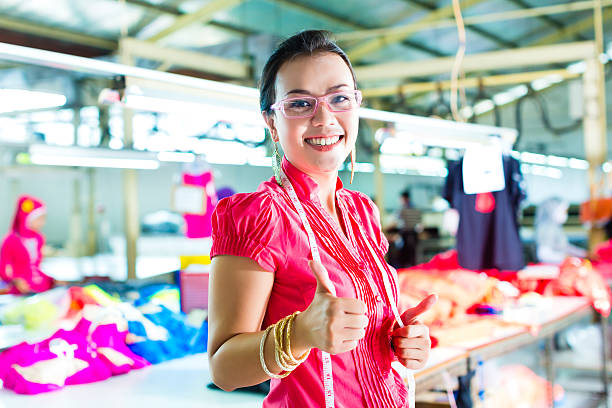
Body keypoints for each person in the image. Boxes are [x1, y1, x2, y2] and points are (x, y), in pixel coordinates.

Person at [208, 30, 436, 408]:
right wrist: (298, 334)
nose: (325, 117)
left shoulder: (362, 211)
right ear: (271, 122)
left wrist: (405, 342)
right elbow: (223, 369)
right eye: (299, 104)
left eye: (340, 98)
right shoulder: (258, 215)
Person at [0, 195, 53, 294]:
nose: (43, 223)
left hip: (41, 288)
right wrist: (15, 281)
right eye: (39, 219)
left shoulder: (38, 238)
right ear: (27, 218)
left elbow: (36, 267)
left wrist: (52, 280)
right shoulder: (11, 240)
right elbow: (3, 270)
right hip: (21, 291)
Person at [535, 197, 586, 264]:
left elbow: (563, 247)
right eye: (564, 211)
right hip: (550, 268)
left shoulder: (555, 227)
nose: (565, 214)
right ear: (554, 211)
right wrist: (566, 258)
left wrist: (584, 254)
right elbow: (543, 255)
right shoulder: (547, 229)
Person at [396, 190, 422, 268]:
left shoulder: (402, 209)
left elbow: (397, 222)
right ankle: (412, 270)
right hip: (414, 234)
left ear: (404, 198)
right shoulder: (416, 208)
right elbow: (420, 222)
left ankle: (404, 271)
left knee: (404, 256)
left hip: (405, 234)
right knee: (412, 255)